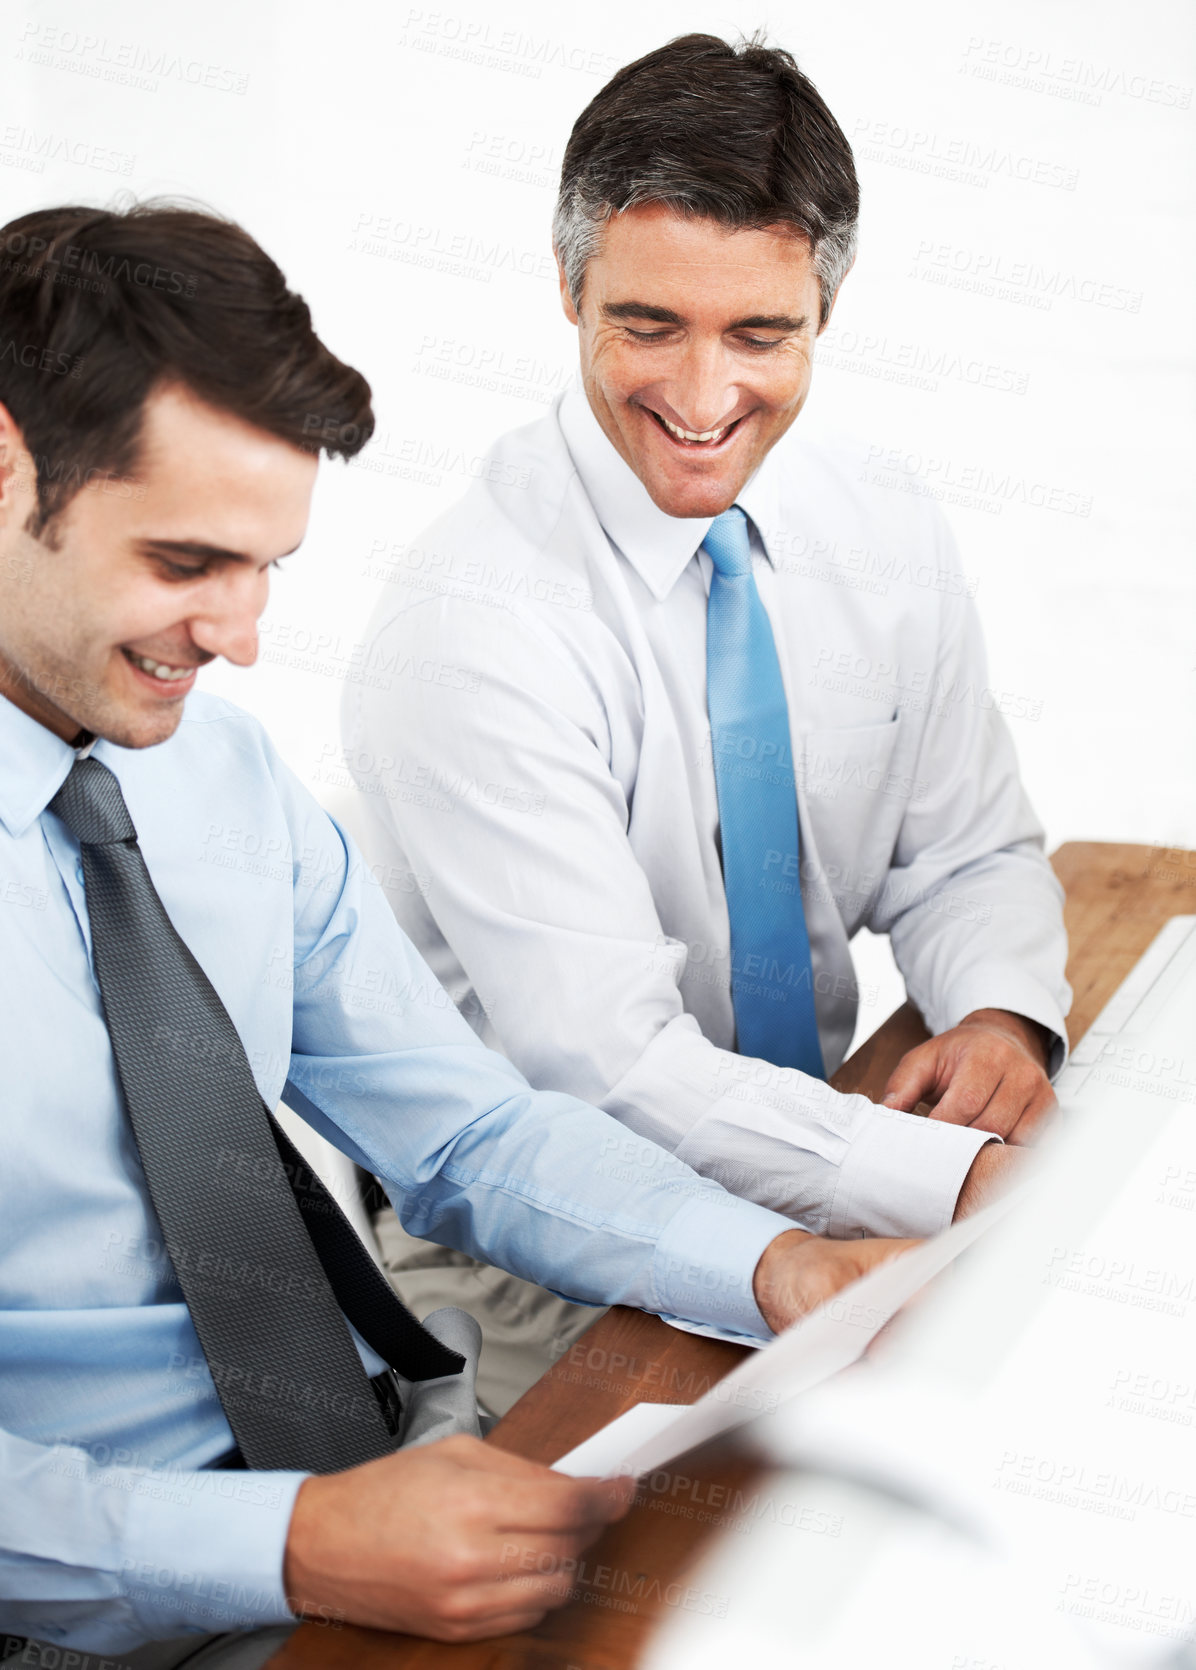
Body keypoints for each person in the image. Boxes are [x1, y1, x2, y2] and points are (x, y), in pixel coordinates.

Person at [0, 201, 962, 1665]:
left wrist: (776, 1267)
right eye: (190, 560)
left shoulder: (220, 776)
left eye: (272, 567)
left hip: (394, 1469)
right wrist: (297, 1540)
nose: (245, 634)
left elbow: (467, 1136)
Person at [344, 32, 1067, 1408]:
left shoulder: (881, 516)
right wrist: (956, 1178)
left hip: (833, 1144)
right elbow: (608, 1071)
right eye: (648, 325)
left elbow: (966, 847)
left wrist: (997, 1015)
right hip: (538, 1247)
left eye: (758, 334)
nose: (701, 395)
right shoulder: (473, 619)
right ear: (567, 287)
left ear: (823, 315)